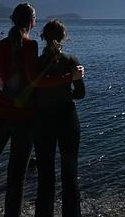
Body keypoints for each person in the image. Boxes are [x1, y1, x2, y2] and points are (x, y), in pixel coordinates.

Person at [0, 4, 84, 217]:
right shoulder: (30, 46)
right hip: (25, 120)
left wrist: (0, 104)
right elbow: (36, 80)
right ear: (33, 22)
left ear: (12, 19)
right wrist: (68, 78)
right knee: (16, 177)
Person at [34, 19, 86, 217]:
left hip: (43, 120)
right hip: (67, 118)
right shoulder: (71, 61)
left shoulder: (37, 63)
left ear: (43, 37)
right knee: (70, 173)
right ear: (64, 36)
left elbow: (33, 93)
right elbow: (81, 93)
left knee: (45, 175)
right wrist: (66, 93)